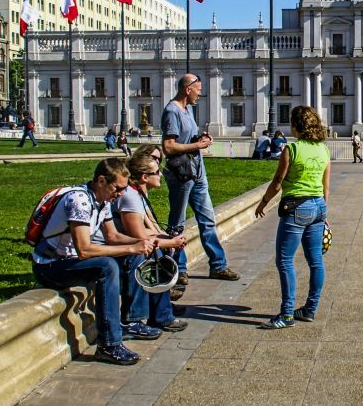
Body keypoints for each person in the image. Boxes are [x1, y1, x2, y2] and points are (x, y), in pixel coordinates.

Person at [31, 158, 158, 365]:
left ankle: (132, 320)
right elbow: (84, 249)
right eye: (117, 189)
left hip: (69, 260)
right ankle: (109, 345)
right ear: (101, 181)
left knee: (133, 254)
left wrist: (145, 241)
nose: (121, 194)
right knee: (106, 267)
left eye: (124, 189)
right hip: (50, 265)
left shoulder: (103, 201)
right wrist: (132, 246)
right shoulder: (79, 201)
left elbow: (113, 237)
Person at [255, 106, 330, 329]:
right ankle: (309, 309)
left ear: (296, 125)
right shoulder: (323, 150)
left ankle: (287, 314)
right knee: (316, 261)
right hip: (319, 206)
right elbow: (326, 185)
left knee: (285, 260)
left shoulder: (292, 149)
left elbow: (278, 181)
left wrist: (264, 202)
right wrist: (325, 212)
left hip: (297, 207)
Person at [162, 73, 239, 289]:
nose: (200, 93)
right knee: (177, 223)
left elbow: (187, 139)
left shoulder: (189, 110)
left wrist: (201, 139)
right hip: (182, 174)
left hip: (198, 172)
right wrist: (197, 146)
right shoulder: (172, 111)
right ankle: (180, 268)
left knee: (207, 219)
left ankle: (218, 264)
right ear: (187, 89)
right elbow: (168, 147)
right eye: (198, 89)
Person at [112, 149, 189, 333]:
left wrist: (167, 238)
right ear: (145, 177)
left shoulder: (136, 193)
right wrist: (169, 242)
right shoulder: (130, 196)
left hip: (123, 244)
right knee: (155, 254)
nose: (161, 174)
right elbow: (138, 238)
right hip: (116, 248)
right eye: (157, 172)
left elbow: (146, 230)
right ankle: (158, 316)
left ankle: (163, 310)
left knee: (165, 248)